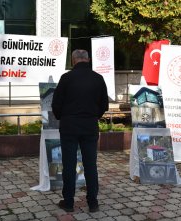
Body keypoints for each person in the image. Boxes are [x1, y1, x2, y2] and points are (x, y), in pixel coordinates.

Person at [51, 49, 109, 213]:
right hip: (90, 126)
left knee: (68, 165)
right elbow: (104, 104)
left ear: (73, 60)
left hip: (69, 127)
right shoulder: (98, 78)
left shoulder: (66, 78)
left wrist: (64, 117)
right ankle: (93, 203)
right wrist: (92, 116)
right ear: (88, 60)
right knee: (91, 165)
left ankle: (68, 202)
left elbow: (56, 104)